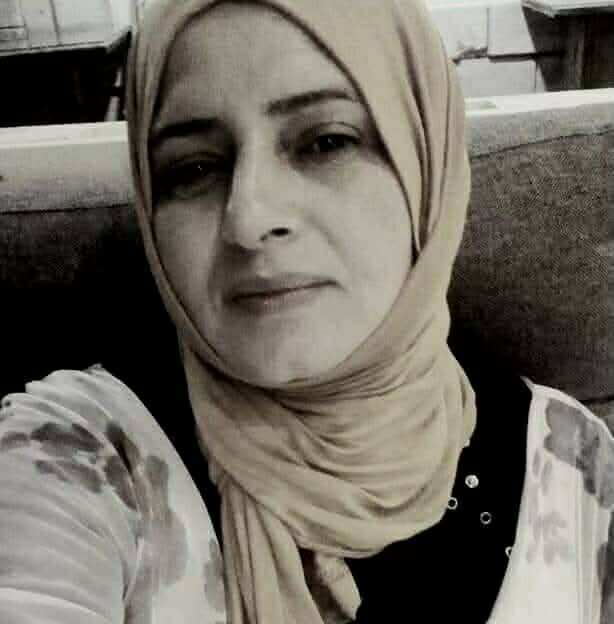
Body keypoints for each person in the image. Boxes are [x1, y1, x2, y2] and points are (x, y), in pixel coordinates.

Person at [0, 0, 612, 622]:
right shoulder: (75, 453)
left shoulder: (574, 461)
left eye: (326, 142)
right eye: (194, 167)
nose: (248, 219)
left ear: (427, 168)